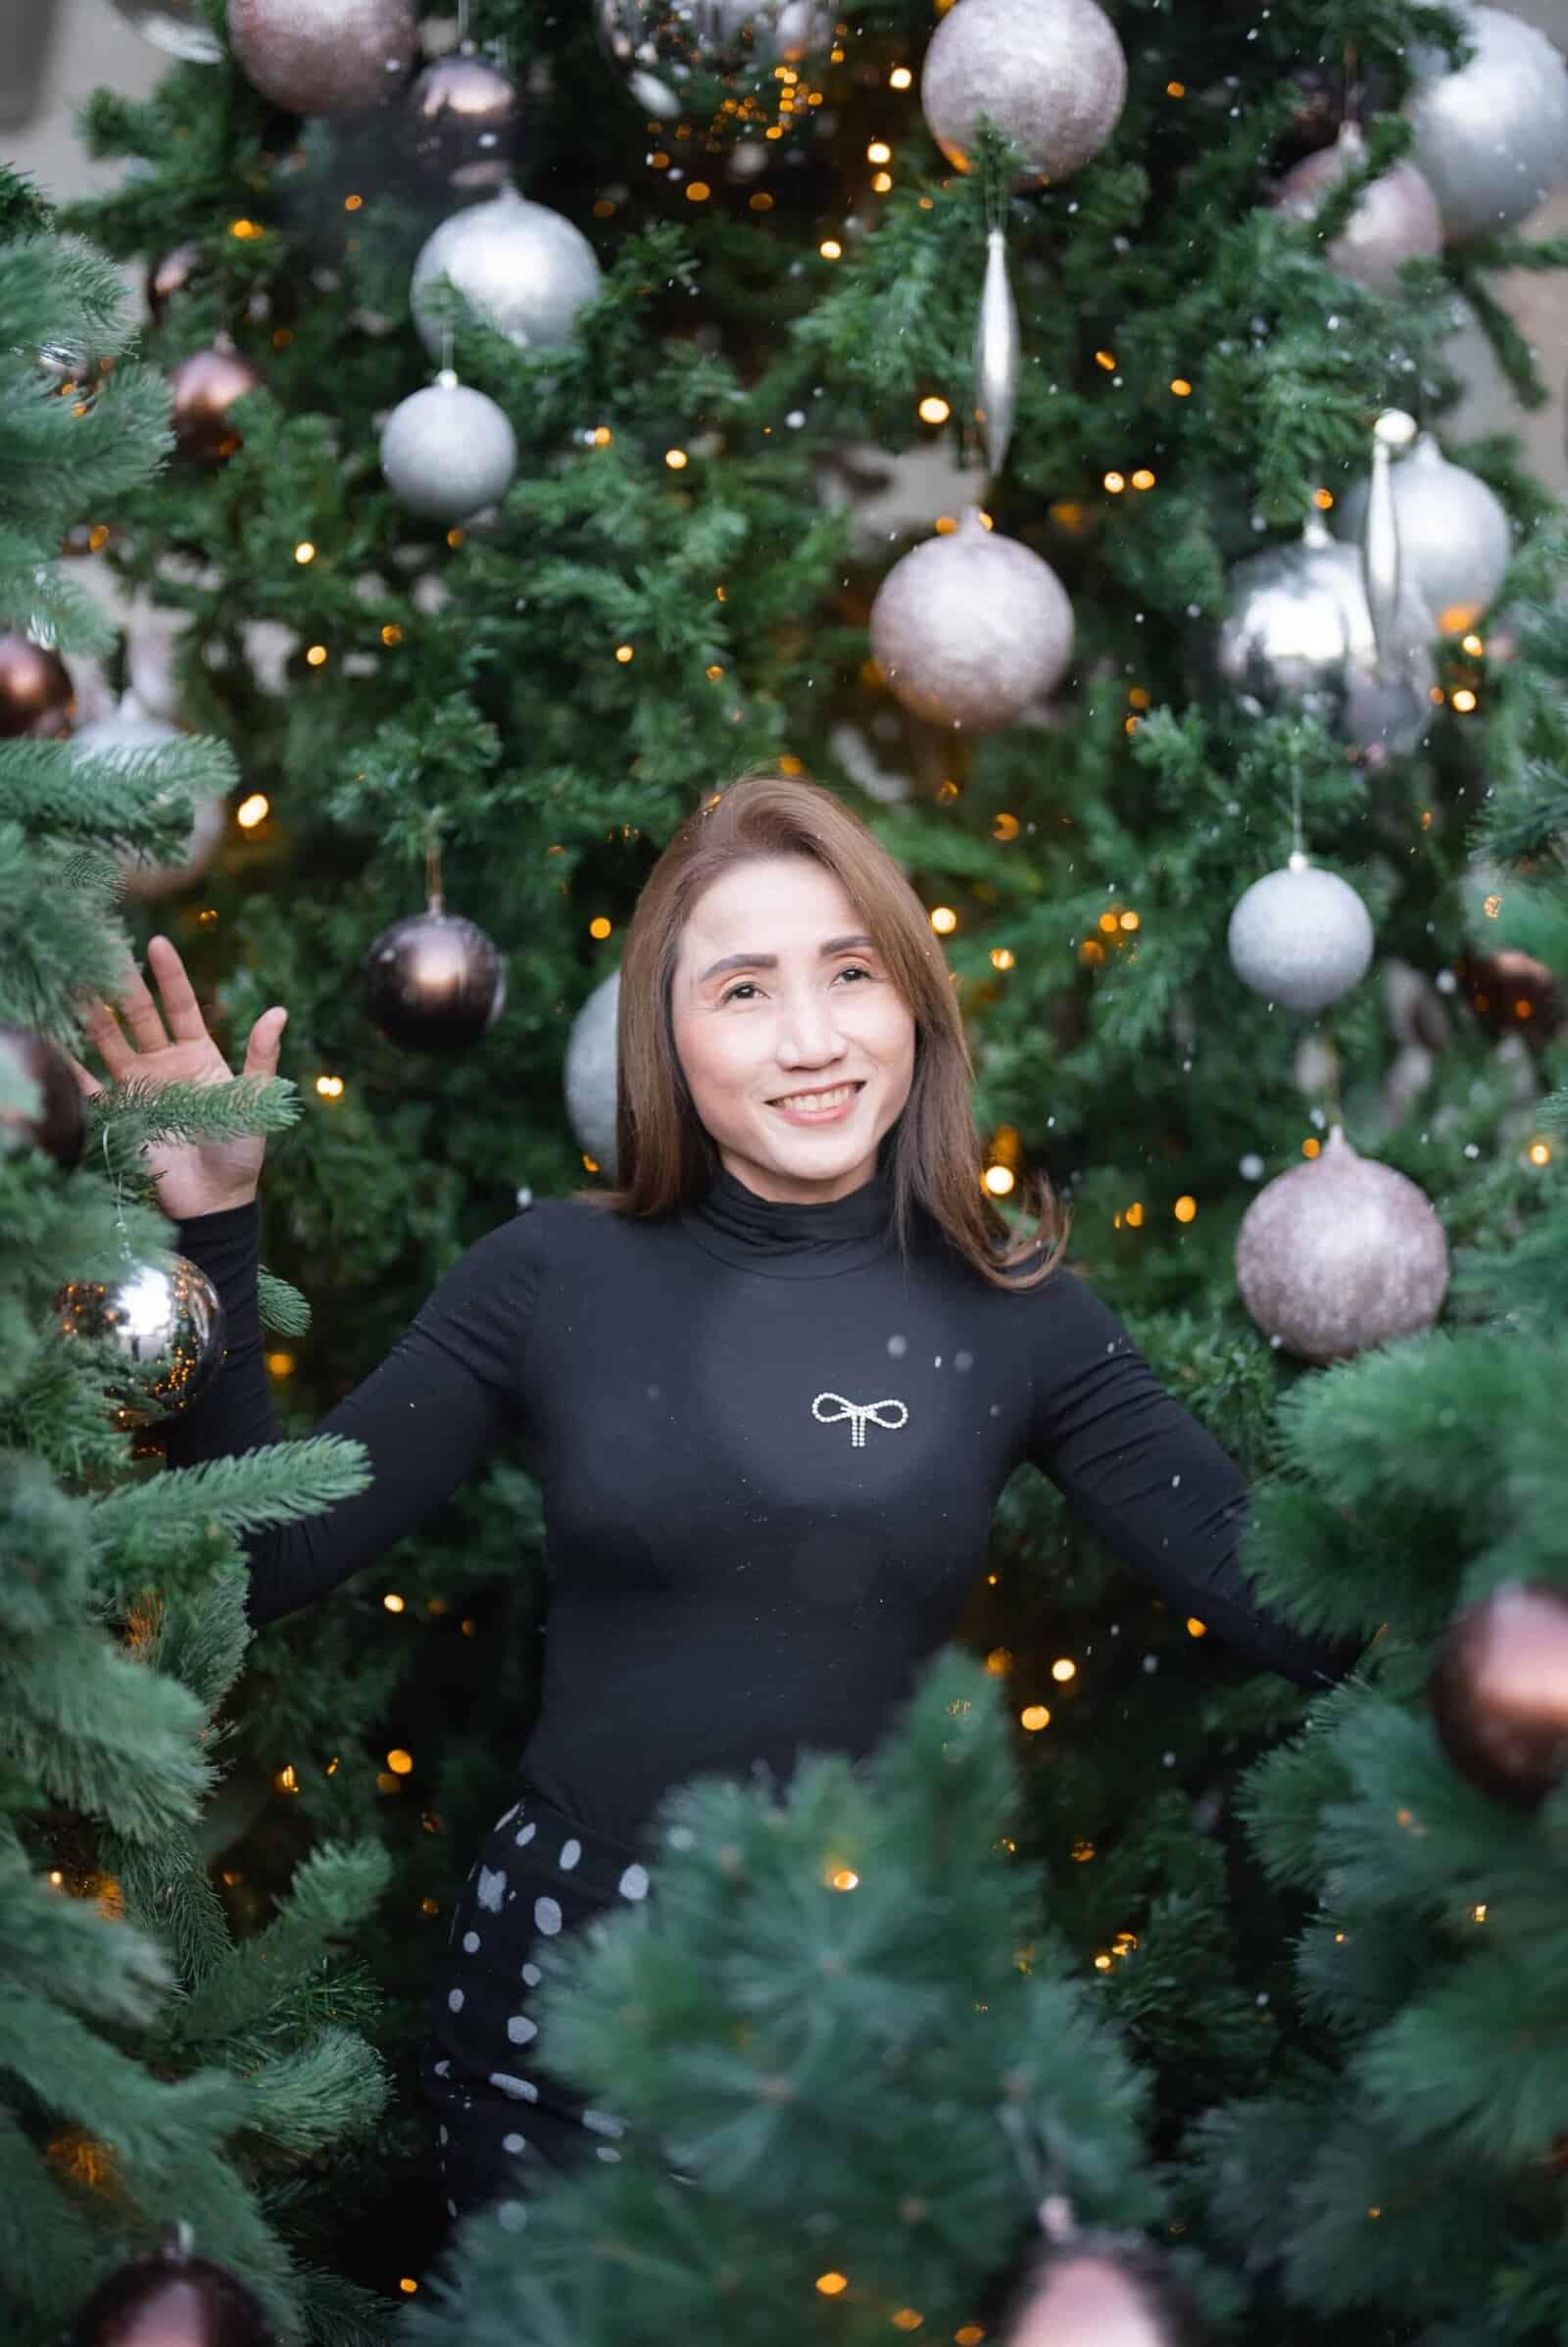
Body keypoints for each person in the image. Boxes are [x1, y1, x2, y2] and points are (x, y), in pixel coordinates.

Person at [67, 772, 1360, 2235]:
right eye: (744, 990)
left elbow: (1299, 1600)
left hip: (869, 2013)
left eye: (851, 974)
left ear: (915, 1002)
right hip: (569, 2010)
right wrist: (216, 1226)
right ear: (666, 1040)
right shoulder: (550, 1277)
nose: (812, 1039)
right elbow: (259, 1561)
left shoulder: (1020, 1313)